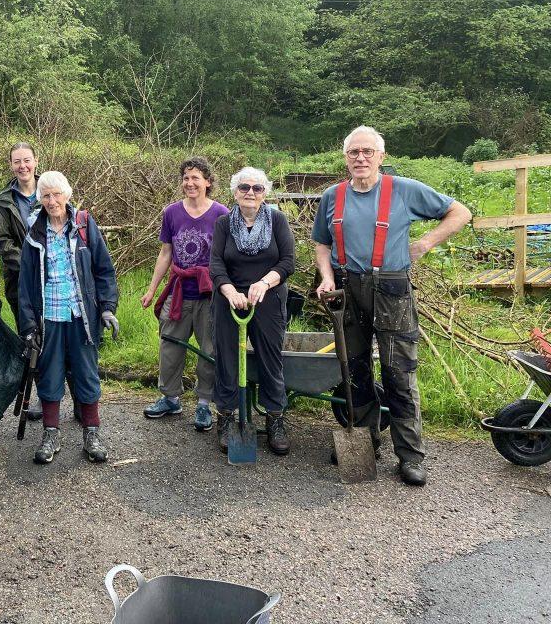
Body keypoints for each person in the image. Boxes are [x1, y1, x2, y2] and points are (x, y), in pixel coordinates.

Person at [313, 126, 471, 486]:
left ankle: (411, 456)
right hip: (346, 288)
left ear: (381, 157)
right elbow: (322, 244)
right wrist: (325, 276)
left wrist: (426, 243)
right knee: (353, 368)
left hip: (392, 288)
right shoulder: (332, 196)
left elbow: (460, 212)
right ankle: (365, 439)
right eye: (354, 152)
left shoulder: (404, 190)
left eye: (368, 152)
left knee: (399, 372)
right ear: (345, 158)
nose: (361, 158)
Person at [17, 171, 120, 465]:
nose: (52, 201)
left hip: (81, 315)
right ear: (40, 200)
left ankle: (92, 434)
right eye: (46, 196)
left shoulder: (85, 226)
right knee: (49, 374)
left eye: (56, 194)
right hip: (49, 317)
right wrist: (28, 325)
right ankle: (51, 434)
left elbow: (104, 271)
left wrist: (107, 308)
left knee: (86, 374)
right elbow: (25, 285)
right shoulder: (34, 235)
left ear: (67, 195)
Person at [210, 168, 295, 456]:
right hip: (229, 300)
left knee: (271, 359)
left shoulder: (278, 220)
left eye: (257, 188)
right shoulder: (223, 223)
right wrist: (230, 290)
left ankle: (275, 418)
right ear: (235, 192)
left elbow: (287, 262)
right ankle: (227, 417)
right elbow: (216, 264)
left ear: (265, 193)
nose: (250, 192)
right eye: (244, 187)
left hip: (268, 298)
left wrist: (264, 282)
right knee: (227, 359)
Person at [140, 156, 229, 430]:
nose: (190, 183)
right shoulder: (171, 213)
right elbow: (166, 252)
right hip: (178, 291)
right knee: (170, 344)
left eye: (196, 178)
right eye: (186, 178)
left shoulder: (221, 214)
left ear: (208, 182)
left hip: (209, 294)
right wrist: (152, 290)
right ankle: (170, 397)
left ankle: (204, 404)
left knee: (209, 349)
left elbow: (227, 257)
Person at [0, 142, 40, 322]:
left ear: (35, 161)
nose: (22, 166)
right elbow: (1, 240)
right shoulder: (3, 199)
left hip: (52, 274)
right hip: (18, 278)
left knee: (54, 332)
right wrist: (29, 265)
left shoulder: (51, 191)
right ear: (11, 164)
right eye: (17, 162)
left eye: (27, 160)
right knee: (27, 332)